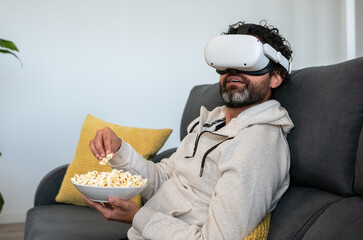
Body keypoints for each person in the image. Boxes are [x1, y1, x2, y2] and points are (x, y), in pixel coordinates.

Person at [84, 21, 294, 240]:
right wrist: (118, 150)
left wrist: (137, 216)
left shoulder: (258, 144)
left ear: (276, 76)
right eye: (227, 59)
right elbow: (162, 179)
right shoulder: (212, 122)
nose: (234, 70)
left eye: (248, 61)